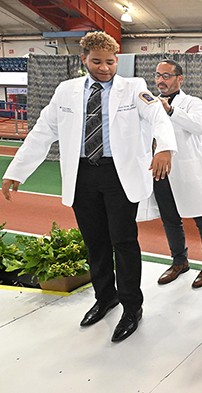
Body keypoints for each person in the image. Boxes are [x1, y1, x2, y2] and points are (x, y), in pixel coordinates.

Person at [1, 31, 177, 343]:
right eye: (97, 61)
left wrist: (164, 147)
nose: (105, 68)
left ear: (117, 60)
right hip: (82, 175)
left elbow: (157, 116)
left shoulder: (134, 88)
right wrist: (17, 171)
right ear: (84, 60)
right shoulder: (66, 91)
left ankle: (131, 307)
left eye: (110, 62)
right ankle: (105, 297)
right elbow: (43, 131)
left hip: (118, 176)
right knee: (95, 241)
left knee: (123, 242)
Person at [147, 59, 202, 289]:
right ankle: (179, 261)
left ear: (180, 78)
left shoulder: (193, 102)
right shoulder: (150, 104)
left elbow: (200, 126)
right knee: (170, 219)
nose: (161, 80)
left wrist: (170, 110)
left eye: (166, 75)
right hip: (161, 170)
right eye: (158, 75)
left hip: (189, 170)